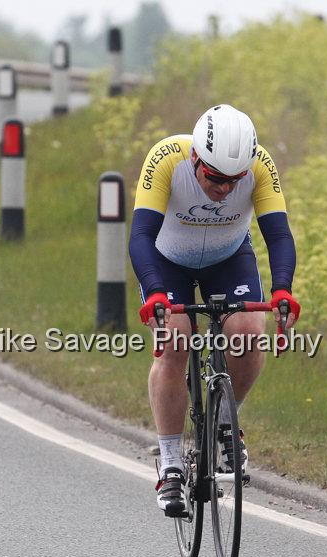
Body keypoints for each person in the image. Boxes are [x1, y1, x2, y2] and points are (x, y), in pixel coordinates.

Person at [129, 104, 300, 516]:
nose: (225, 190)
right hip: (167, 261)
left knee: (247, 333)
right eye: (215, 179)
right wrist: (154, 293)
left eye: (234, 181)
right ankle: (170, 462)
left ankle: (225, 422)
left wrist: (282, 291)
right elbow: (140, 236)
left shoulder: (259, 166)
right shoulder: (167, 158)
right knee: (175, 339)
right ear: (195, 160)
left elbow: (277, 234)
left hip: (228, 258)